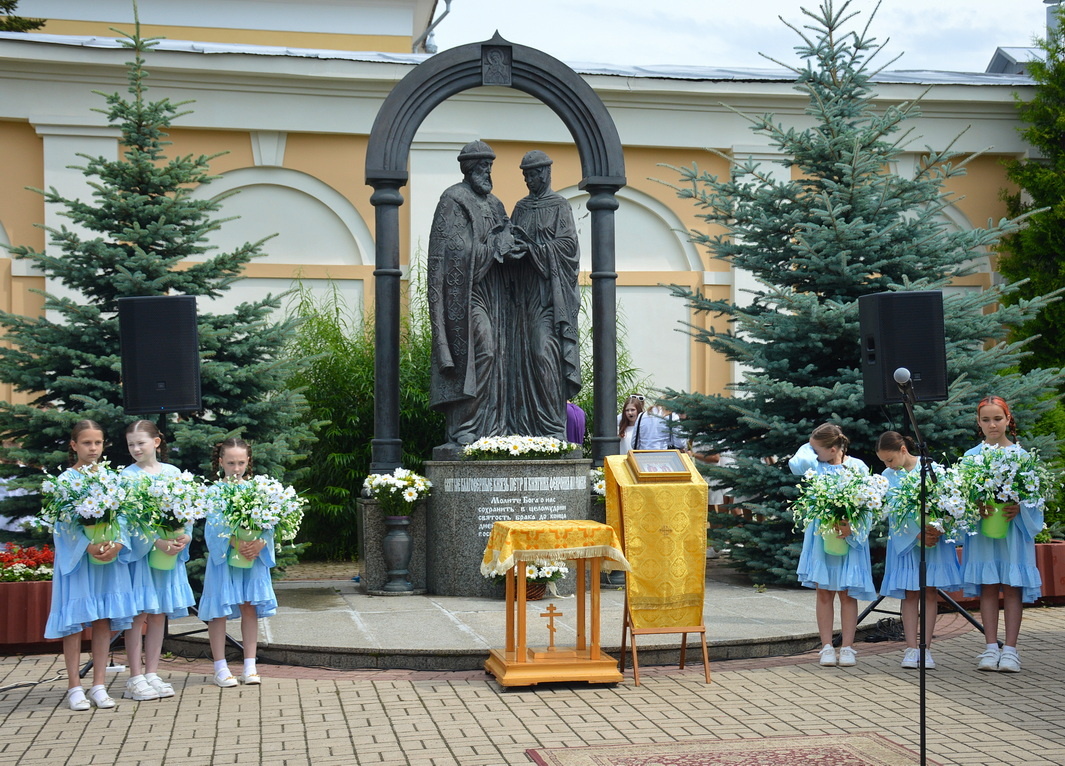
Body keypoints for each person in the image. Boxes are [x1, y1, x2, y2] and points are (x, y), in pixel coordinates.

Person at [427, 139, 515, 448]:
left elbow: (507, 233)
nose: (488, 173)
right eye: (482, 167)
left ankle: (493, 428)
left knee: (501, 356)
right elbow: (453, 252)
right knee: (484, 351)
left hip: (498, 295)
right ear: (468, 169)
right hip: (467, 295)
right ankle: (465, 427)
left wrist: (512, 245)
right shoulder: (454, 200)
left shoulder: (495, 204)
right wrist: (494, 246)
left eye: (490, 167)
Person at [44, 420, 135, 711]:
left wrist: (118, 544)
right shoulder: (64, 482)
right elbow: (62, 525)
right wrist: (87, 545)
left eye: (97, 443)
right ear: (74, 446)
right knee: (74, 622)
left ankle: (98, 685)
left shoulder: (112, 478)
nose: (93, 448)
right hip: (79, 561)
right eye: (86, 443)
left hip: (106, 560)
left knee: (103, 620)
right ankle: (74, 686)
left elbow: (123, 517)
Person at [961, 396, 1043, 673]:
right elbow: (961, 498)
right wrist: (975, 506)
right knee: (988, 584)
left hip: (1013, 533)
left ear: (1008, 419)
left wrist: (1021, 508)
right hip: (984, 532)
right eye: (986, 419)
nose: (992, 424)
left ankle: (1010, 650)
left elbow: (1035, 498)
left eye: (997, 418)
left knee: (1011, 586)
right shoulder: (972, 457)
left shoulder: (1022, 456)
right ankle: (989, 647)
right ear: (978, 423)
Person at [507, 150, 582, 439]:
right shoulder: (521, 207)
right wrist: (513, 249)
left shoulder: (560, 206)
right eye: (524, 175)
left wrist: (536, 249)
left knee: (543, 354)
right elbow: (510, 238)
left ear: (546, 174)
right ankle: (523, 427)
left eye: (533, 174)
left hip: (549, 297)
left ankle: (552, 427)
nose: (528, 180)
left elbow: (568, 248)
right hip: (521, 296)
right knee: (519, 360)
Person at [788, 423, 874, 668]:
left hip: (848, 536)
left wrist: (852, 528)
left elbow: (868, 502)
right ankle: (826, 646)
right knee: (824, 591)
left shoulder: (857, 467)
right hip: (822, 537)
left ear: (835, 448)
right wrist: (810, 444)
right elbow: (796, 464)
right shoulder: (815, 465)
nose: (814, 454)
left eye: (818, 450)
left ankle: (847, 647)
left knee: (847, 593)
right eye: (812, 450)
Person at [876, 430, 962, 670]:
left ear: (903, 450)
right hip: (907, 542)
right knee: (910, 593)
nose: (887, 464)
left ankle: (926, 649)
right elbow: (892, 512)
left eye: (890, 459)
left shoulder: (932, 470)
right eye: (884, 461)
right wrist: (915, 533)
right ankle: (911, 648)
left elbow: (948, 503)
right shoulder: (888, 475)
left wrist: (937, 529)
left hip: (933, 544)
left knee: (929, 591)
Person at [120, 420, 192, 700]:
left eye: (141, 442)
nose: (136, 448)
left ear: (156, 443)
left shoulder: (174, 473)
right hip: (142, 558)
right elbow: (126, 521)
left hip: (168, 555)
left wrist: (183, 536)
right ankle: (135, 677)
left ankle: (152, 671)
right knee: (139, 614)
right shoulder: (127, 477)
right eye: (131, 444)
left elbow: (187, 510)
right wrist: (154, 541)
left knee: (159, 611)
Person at [198, 438, 276, 687]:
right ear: (220, 462)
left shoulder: (257, 489)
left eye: (241, 462)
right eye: (230, 462)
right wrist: (235, 543)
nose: (236, 468)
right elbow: (212, 527)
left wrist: (260, 542)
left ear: (248, 462)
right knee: (219, 611)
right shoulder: (214, 491)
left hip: (252, 559)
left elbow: (270, 523)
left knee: (249, 607)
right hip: (225, 560)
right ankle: (220, 667)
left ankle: (250, 666)